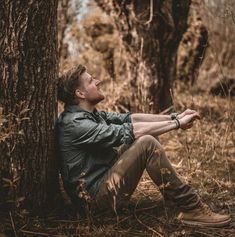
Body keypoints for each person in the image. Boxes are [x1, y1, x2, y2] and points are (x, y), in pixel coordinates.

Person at [56, 64, 231, 227]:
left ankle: (173, 201)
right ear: (80, 93)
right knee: (146, 142)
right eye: (91, 81)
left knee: (148, 133)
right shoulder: (75, 124)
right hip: (94, 203)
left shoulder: (89, 114)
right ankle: (192, 207)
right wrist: (177, 124)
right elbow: (128, 131)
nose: (97, 81)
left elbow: (130, 119)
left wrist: (174, 117)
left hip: (104, 183)